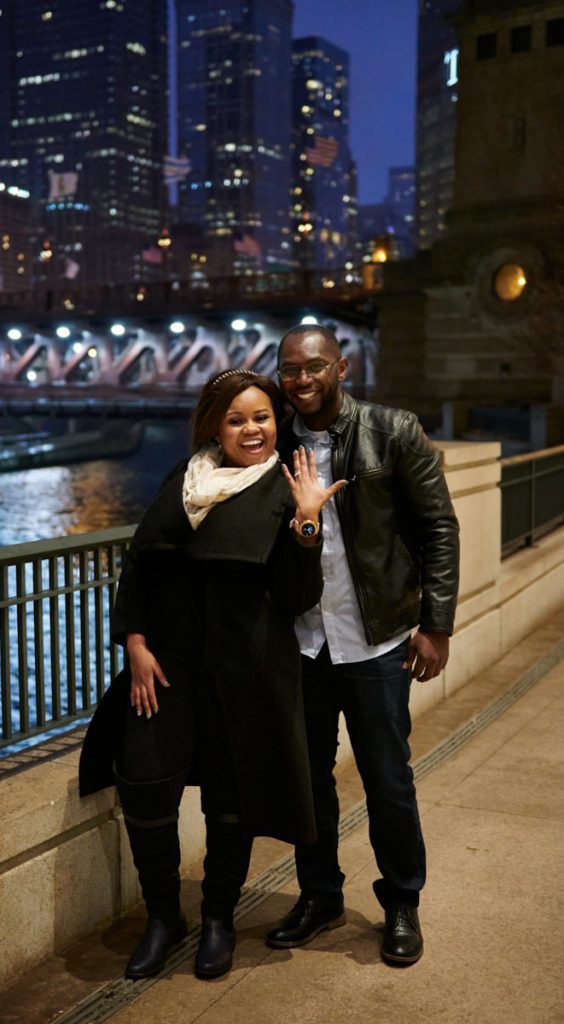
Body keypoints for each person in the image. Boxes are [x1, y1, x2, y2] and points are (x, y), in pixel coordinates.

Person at [79, 369, 345, 981]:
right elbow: (141, 565)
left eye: (262, 417)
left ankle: (219, 918)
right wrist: (136, 643)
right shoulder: (184, 479)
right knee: (146, 784)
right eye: (236, 419)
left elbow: (299, 597)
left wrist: (307, 523)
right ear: (213, 427)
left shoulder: (285, 486)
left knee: (231, 799)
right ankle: (164, 917)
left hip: (247, 666)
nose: (252, 429)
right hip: (167, 664)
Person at [265, 324, 460, 965]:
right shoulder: (271, 442)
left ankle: (402, 903)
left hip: (375, 642)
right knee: (309, 782)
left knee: (388, 781)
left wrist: (436, 625)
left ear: (341, 369)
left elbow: (437, 526)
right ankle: (319, 897)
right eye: (290, 369)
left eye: (314, 367)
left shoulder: (393, 430)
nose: (301, 380)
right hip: (303, 643)